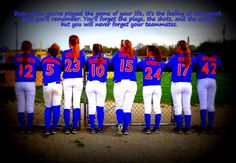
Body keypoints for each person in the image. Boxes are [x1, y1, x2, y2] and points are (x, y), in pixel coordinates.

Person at [111, 39, 138, 136]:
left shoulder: (117, 55)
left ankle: (120, 124)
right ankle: (126, 129)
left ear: (121, 46)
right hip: (132, 83)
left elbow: (112, 62)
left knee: (119, 106)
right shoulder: (134, 56)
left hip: (120, 82)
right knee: (127, 108)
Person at [167, 40, 194, 134]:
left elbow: (168, 65)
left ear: (178, 47)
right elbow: (195, 65)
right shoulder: (191, 57)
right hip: (187, 84)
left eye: (176, 46)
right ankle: (187, 128)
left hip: (177, 84)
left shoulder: (174, 57)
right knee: (187, 107)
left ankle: (179, 128)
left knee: (178, 107)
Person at [137, 45, 166, 134]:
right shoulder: (160, 62)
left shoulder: (145, 61)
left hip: (147, 86)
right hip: (157, 86)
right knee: (157, 107)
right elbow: (166, 66)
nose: (146, 52)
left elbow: (137, 65)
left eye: (147, 51)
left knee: (147, 107)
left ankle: (148, 128)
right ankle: (156, 128)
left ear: (150, 52)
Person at [14, 40, 41, 134]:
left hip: (19, 83)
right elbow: (39, 65)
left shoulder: (16, 57)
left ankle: (22, 128)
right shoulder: (34, 58)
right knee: (30, 106)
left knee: (20, 106)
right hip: (30, 83)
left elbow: (15, 64)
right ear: (31, 48)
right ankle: (29, 128)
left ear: (21, 48)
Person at [194, 42, 222, 134]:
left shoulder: (200, 56)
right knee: (211, 105)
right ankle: (210, 127)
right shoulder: (215, 57)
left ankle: (203, 128)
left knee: (203, 104)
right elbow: (219, 64)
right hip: (212, 80)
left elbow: (193, 64)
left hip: (202, 80)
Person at [61, 35, 86, 134]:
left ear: (69, 42)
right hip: (77, 79)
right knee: (76, 104)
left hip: (67, 79)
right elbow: (85, 63)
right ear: (78, 42)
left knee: (67, 104)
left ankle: (67, 128)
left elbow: (62, 65)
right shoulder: (81, 53)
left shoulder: (64, 53)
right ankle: (75, 128)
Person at [85, 44, 109, 134]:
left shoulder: (89, 59)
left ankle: (92, 127)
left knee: (91, 106)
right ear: (101, 50)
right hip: (101, 85)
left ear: (93, 50)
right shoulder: (106, 60)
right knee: (100, 107)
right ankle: (100, 128)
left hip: (90, 84)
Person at [41, 43, 62, 136]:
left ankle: (47, 129)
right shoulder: (59, 61)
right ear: (57, 53)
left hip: (47, 84)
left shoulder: (43, 60)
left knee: (48, 107)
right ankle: (54, 128)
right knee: (56, 106)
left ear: (48, 52)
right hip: (57, 84)